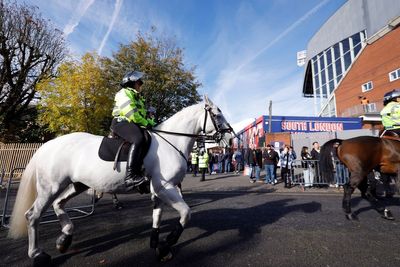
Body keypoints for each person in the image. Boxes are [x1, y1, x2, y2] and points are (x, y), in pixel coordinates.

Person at [111, 71, 155, 194]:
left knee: (148, 138)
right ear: (131, 83)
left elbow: (141, 116)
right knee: (138, 138)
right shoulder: (123, 93)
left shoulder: (138, 97)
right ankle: (130, 176)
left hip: (133, 122)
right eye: (139, 82)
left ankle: (141, 173)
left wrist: (151, 123)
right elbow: (131, 114)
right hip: (121, 122)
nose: (141, 84)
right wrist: (147, 124)